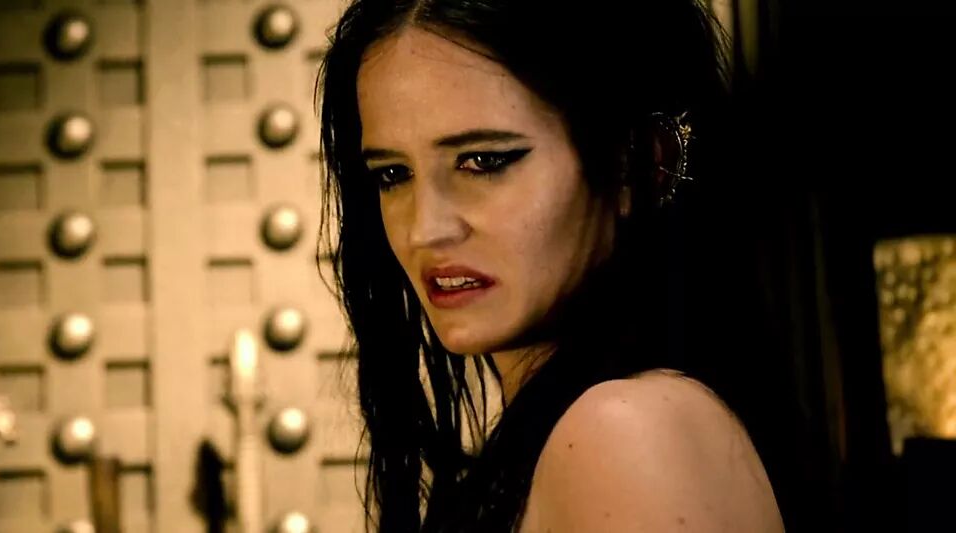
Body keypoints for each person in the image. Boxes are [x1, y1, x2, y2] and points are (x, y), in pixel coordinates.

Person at [314, 0, 785, 531]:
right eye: (393, 174)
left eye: (484, 161)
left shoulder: (623, 430)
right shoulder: (579, 431)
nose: (424, 229)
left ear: (641, 163)